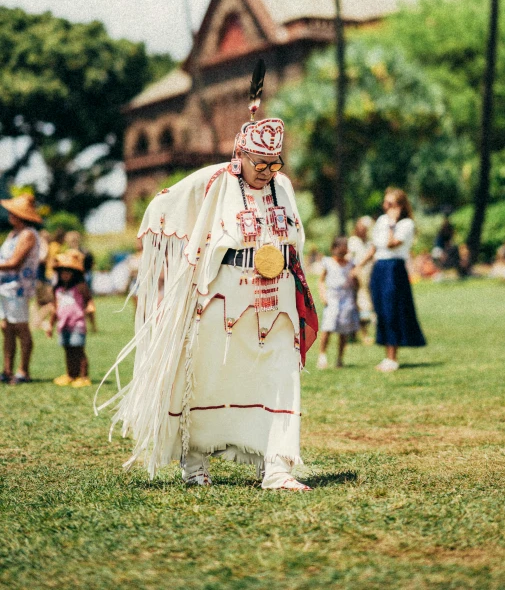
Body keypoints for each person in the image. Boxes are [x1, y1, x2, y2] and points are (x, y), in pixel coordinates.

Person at [96, 60, 318, 490]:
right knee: (208, 377)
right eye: (260, 162)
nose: (268, 171)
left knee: (278, 375)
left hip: (278, 299)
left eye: (275, 163)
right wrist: (160, 240)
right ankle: (194, 462)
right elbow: (164, 203)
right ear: (241, 155)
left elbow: (296, 239)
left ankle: (274, 465)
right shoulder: (216, 181)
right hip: (224, 296)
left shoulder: (283, 187)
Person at [360, 188, 426, 372]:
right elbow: (375, 246)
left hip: (394, 268)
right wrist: (359, 265)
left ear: (399, 206)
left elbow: (392, 243)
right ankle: (386, 354)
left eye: (390, 204)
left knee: (391, 310)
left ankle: (392, 357)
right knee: (380, 310)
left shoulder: (406, 224)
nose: (385, 207)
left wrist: (392, 223)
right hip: (379, 267)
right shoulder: (381, 220)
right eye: (385, 203)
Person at [0, 194, 41, 385]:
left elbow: (15, 263)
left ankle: (23, 370)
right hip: (6, 287)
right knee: (7, 327)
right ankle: (7, 370)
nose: (8, 214)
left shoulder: (28, 234)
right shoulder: (13, 234)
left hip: (18, 288)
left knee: (21, 328)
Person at [46, 249, 94, 387]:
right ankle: (71, 374)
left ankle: (84, 376)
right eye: (62, 271)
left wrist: (90, 307)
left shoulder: (80, 286)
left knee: (78, 350)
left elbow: (89, 299)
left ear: (75, 272)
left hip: (77, 324)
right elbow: (55, 309)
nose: (65, 274)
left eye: (68, 271)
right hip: (63, 324)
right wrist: (50, 325)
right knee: (67, 349)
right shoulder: (58, 289)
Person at [317, 237, 360, 369]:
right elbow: (321, 281)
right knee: (328, 327)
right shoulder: (328, 262)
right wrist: (323, 295)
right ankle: (322, 355)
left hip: (346, 297)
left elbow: (357, 284)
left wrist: (355, 293)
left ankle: (340, 358)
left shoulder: (350, 264)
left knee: (344, 329)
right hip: (333, 297)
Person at [347, 216, 375, 343]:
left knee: (365, 306)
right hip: (355, 276)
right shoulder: (354, 241)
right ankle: (355, 334)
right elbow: (349, 257)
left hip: (368, 277)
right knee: (357, 305)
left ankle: (363, 333)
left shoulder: (370, 242)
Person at [64, 230, 97, 331]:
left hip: (82, 279)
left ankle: (91, 325)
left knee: (86, 302)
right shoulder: (69, 252)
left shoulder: (83, 252)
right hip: (77, 280)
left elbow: (90, 264)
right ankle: (84, 325)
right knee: (80, 303)